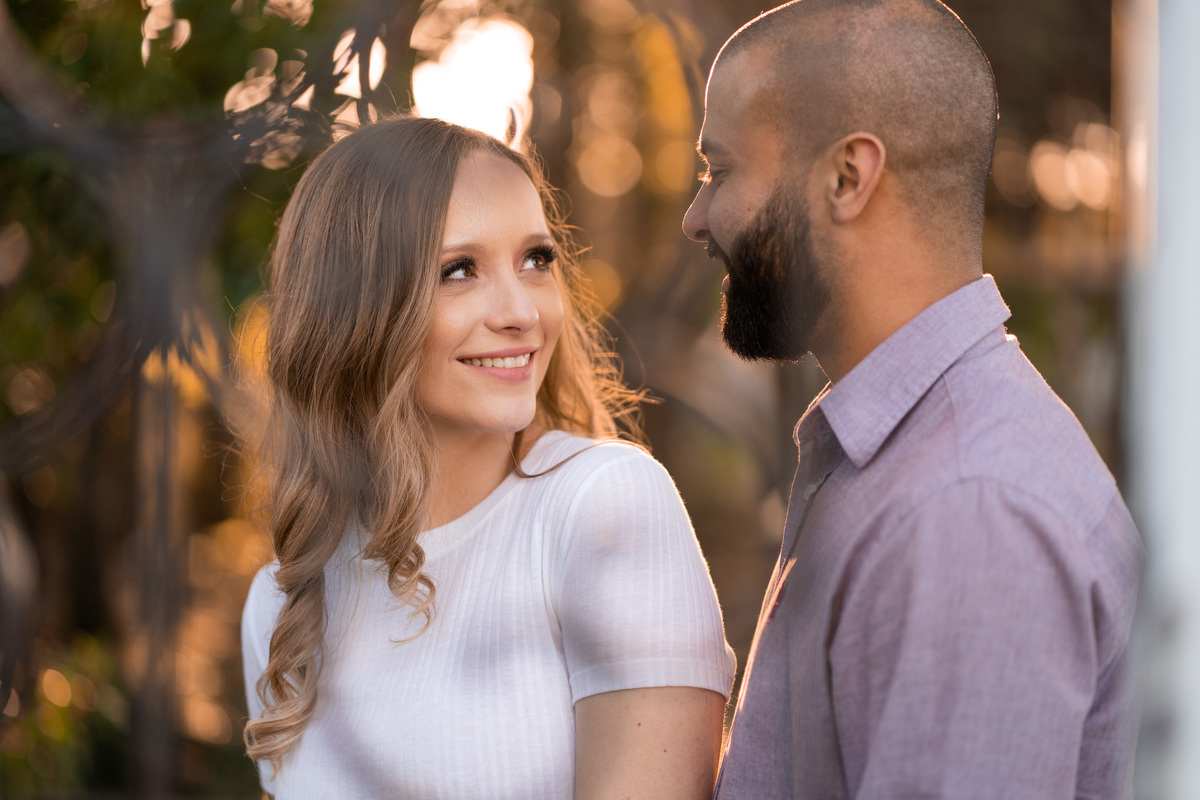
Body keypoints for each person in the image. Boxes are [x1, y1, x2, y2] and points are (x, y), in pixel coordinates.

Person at [681, 1, 1143, 798]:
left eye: (719, 172)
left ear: (847, 177)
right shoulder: (907, 460)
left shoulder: (970, 506)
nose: (696, 219)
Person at [240, 116, 735, 799]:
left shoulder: (603, 509)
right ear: (354, 312)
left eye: (536, 259)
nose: (521, 311)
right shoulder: (280, 607)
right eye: (459, 270)